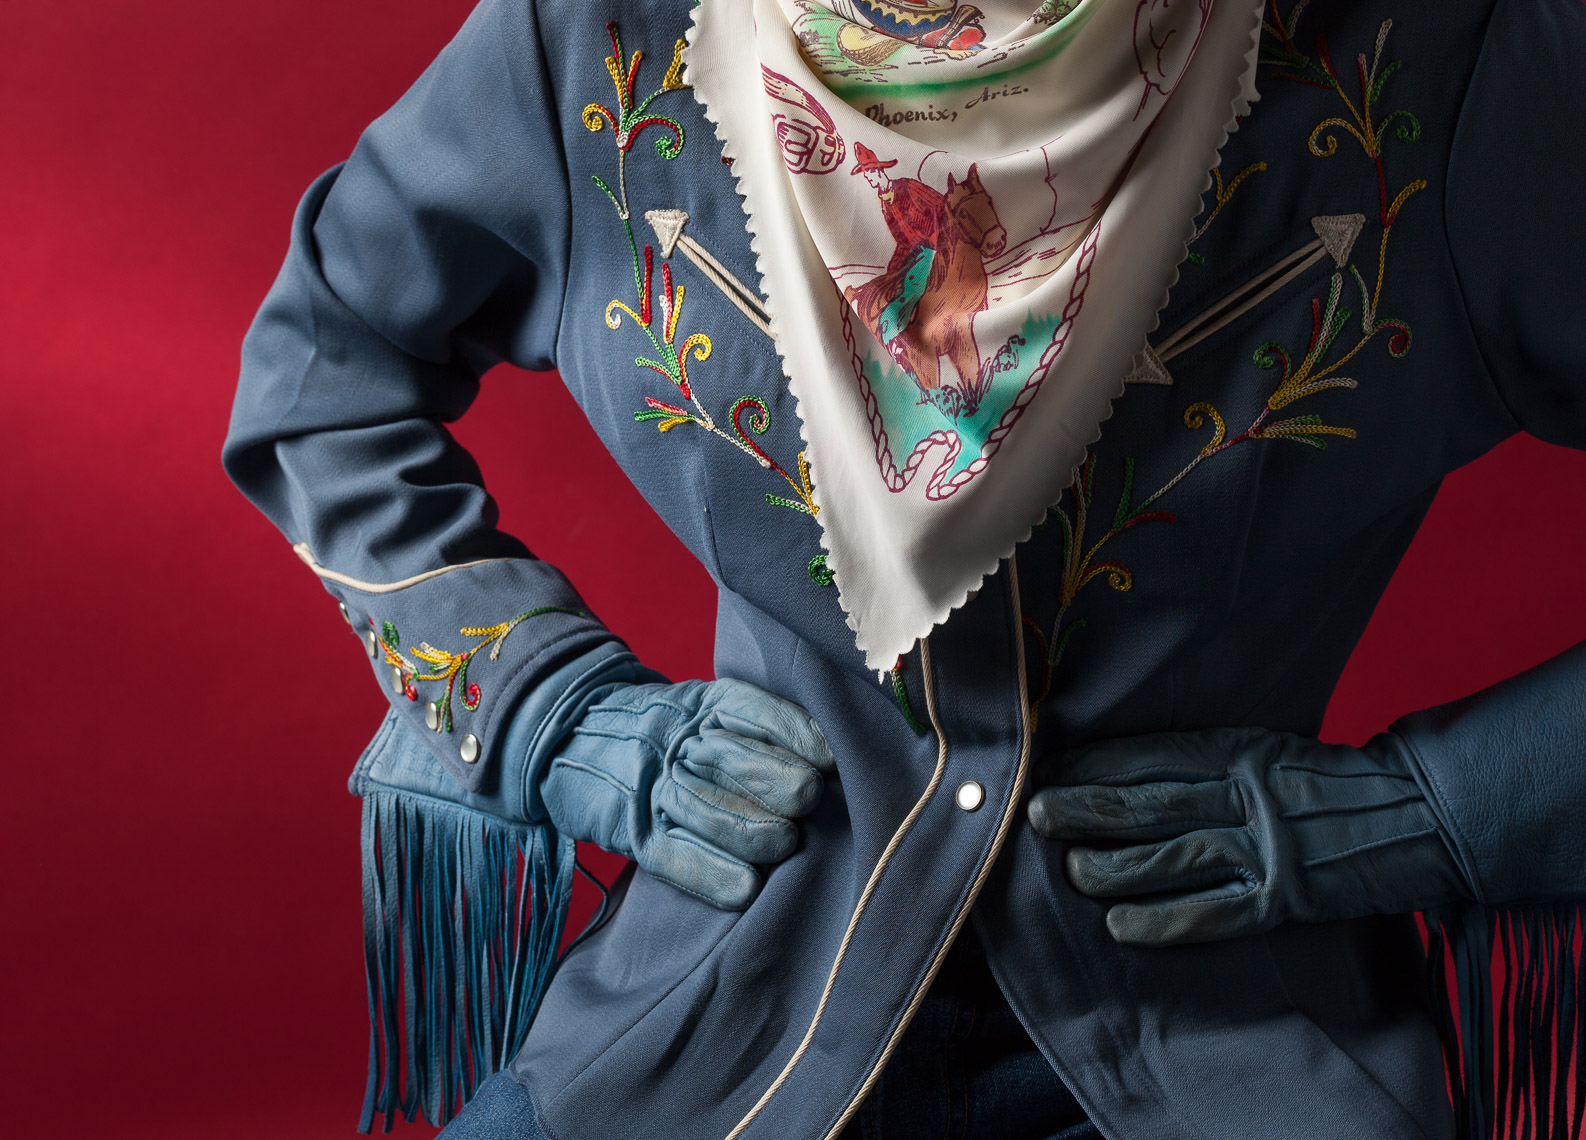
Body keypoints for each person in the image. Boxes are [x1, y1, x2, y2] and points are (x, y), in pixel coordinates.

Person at [223, 0, 1586, 1137]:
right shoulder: (602, 39)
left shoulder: (1430, 62)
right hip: (710, 1025)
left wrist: (1430, 809)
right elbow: (319, 376)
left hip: (1238, 1050)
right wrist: (548, 706)